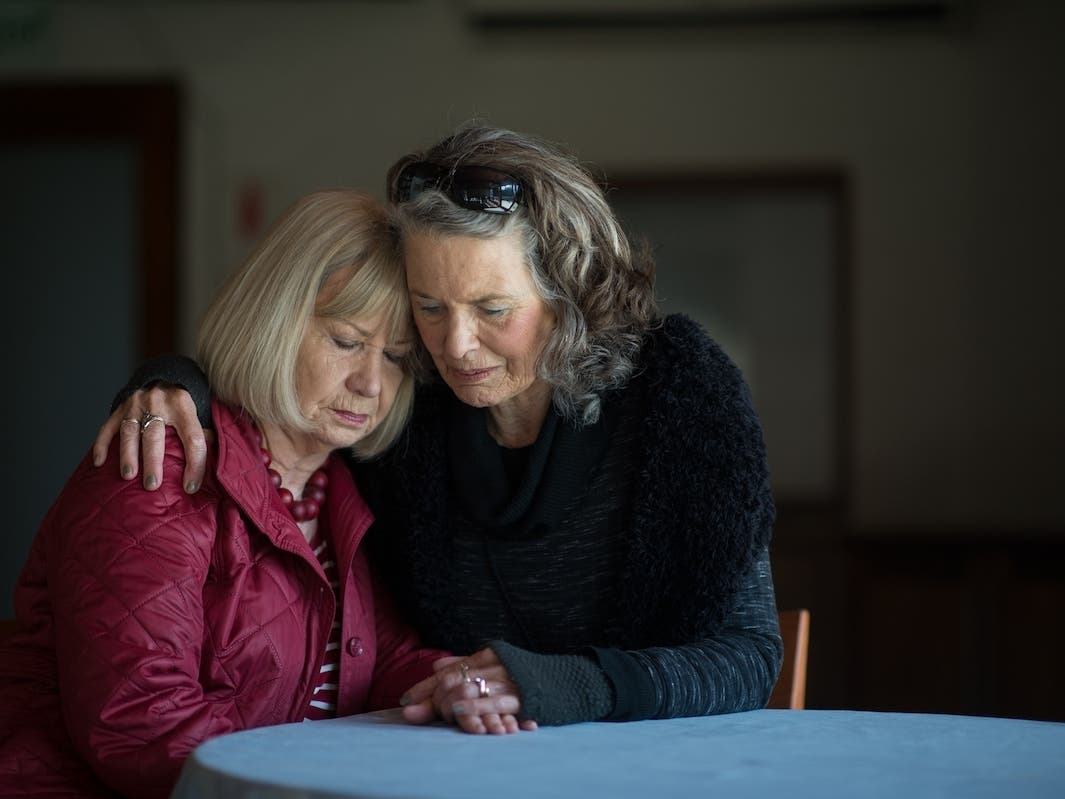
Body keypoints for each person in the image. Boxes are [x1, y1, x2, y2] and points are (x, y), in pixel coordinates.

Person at [94, 124, 783, 734]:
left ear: (568, 291)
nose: (455, 346)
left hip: (648, 767)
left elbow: (748, 656)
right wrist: (175, 380)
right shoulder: (407, 404)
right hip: (455, 766)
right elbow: (287, 375)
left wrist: (571, 685)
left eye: (492, 309)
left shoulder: (680, 393)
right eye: (429, 307)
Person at [0, 190, 462, 799]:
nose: (370, 384)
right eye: (347, 341)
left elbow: (381, 662)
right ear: (272, 323)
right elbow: (143, 723)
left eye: (397, 357)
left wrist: (456, 684)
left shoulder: (336, 490)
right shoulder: (162, 466)